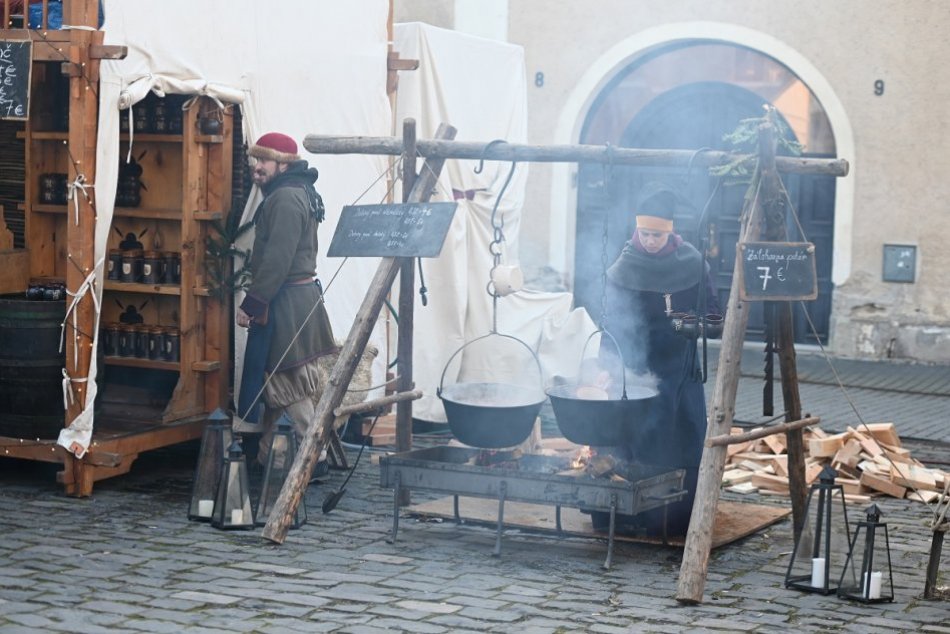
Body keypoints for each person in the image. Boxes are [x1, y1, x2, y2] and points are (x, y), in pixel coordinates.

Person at [594, 181, 720, 537]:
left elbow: (715, 317)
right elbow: (611, 321)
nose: (649, 241)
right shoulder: (625, 264)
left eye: (656, 236)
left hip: (678, 367)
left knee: (679, 438)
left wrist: (688, 324)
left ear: (670, 232)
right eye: (644, 234)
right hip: (633, 366)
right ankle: (625, 518)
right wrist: (606, 364)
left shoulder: (693, 264)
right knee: (630, 437)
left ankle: (673, 521)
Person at [236, 132, 338, 467]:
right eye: (256, 159)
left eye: (264, 160)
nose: (257, 166)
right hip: (293, 298)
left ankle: (315, 457)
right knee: (277, 383)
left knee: (288, 383)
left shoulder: (285, 198)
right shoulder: (295, 192)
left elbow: (277, 260)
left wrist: (252, 304)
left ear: (283, 163)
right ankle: (270, 460)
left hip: (287, 302)